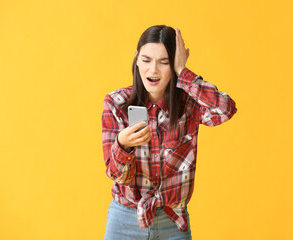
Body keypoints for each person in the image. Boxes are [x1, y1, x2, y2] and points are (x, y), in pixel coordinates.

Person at [101, 25, 237, 240]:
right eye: (146, 60)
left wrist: (184, 73)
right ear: (136, 59)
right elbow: (117, 175)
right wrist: (122, 144)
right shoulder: (116, 103)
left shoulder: (190, 104)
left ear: (174, 64)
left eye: (164, 62)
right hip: (125, 219)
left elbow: (226, 109)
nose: (153, 70)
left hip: (173, 221)